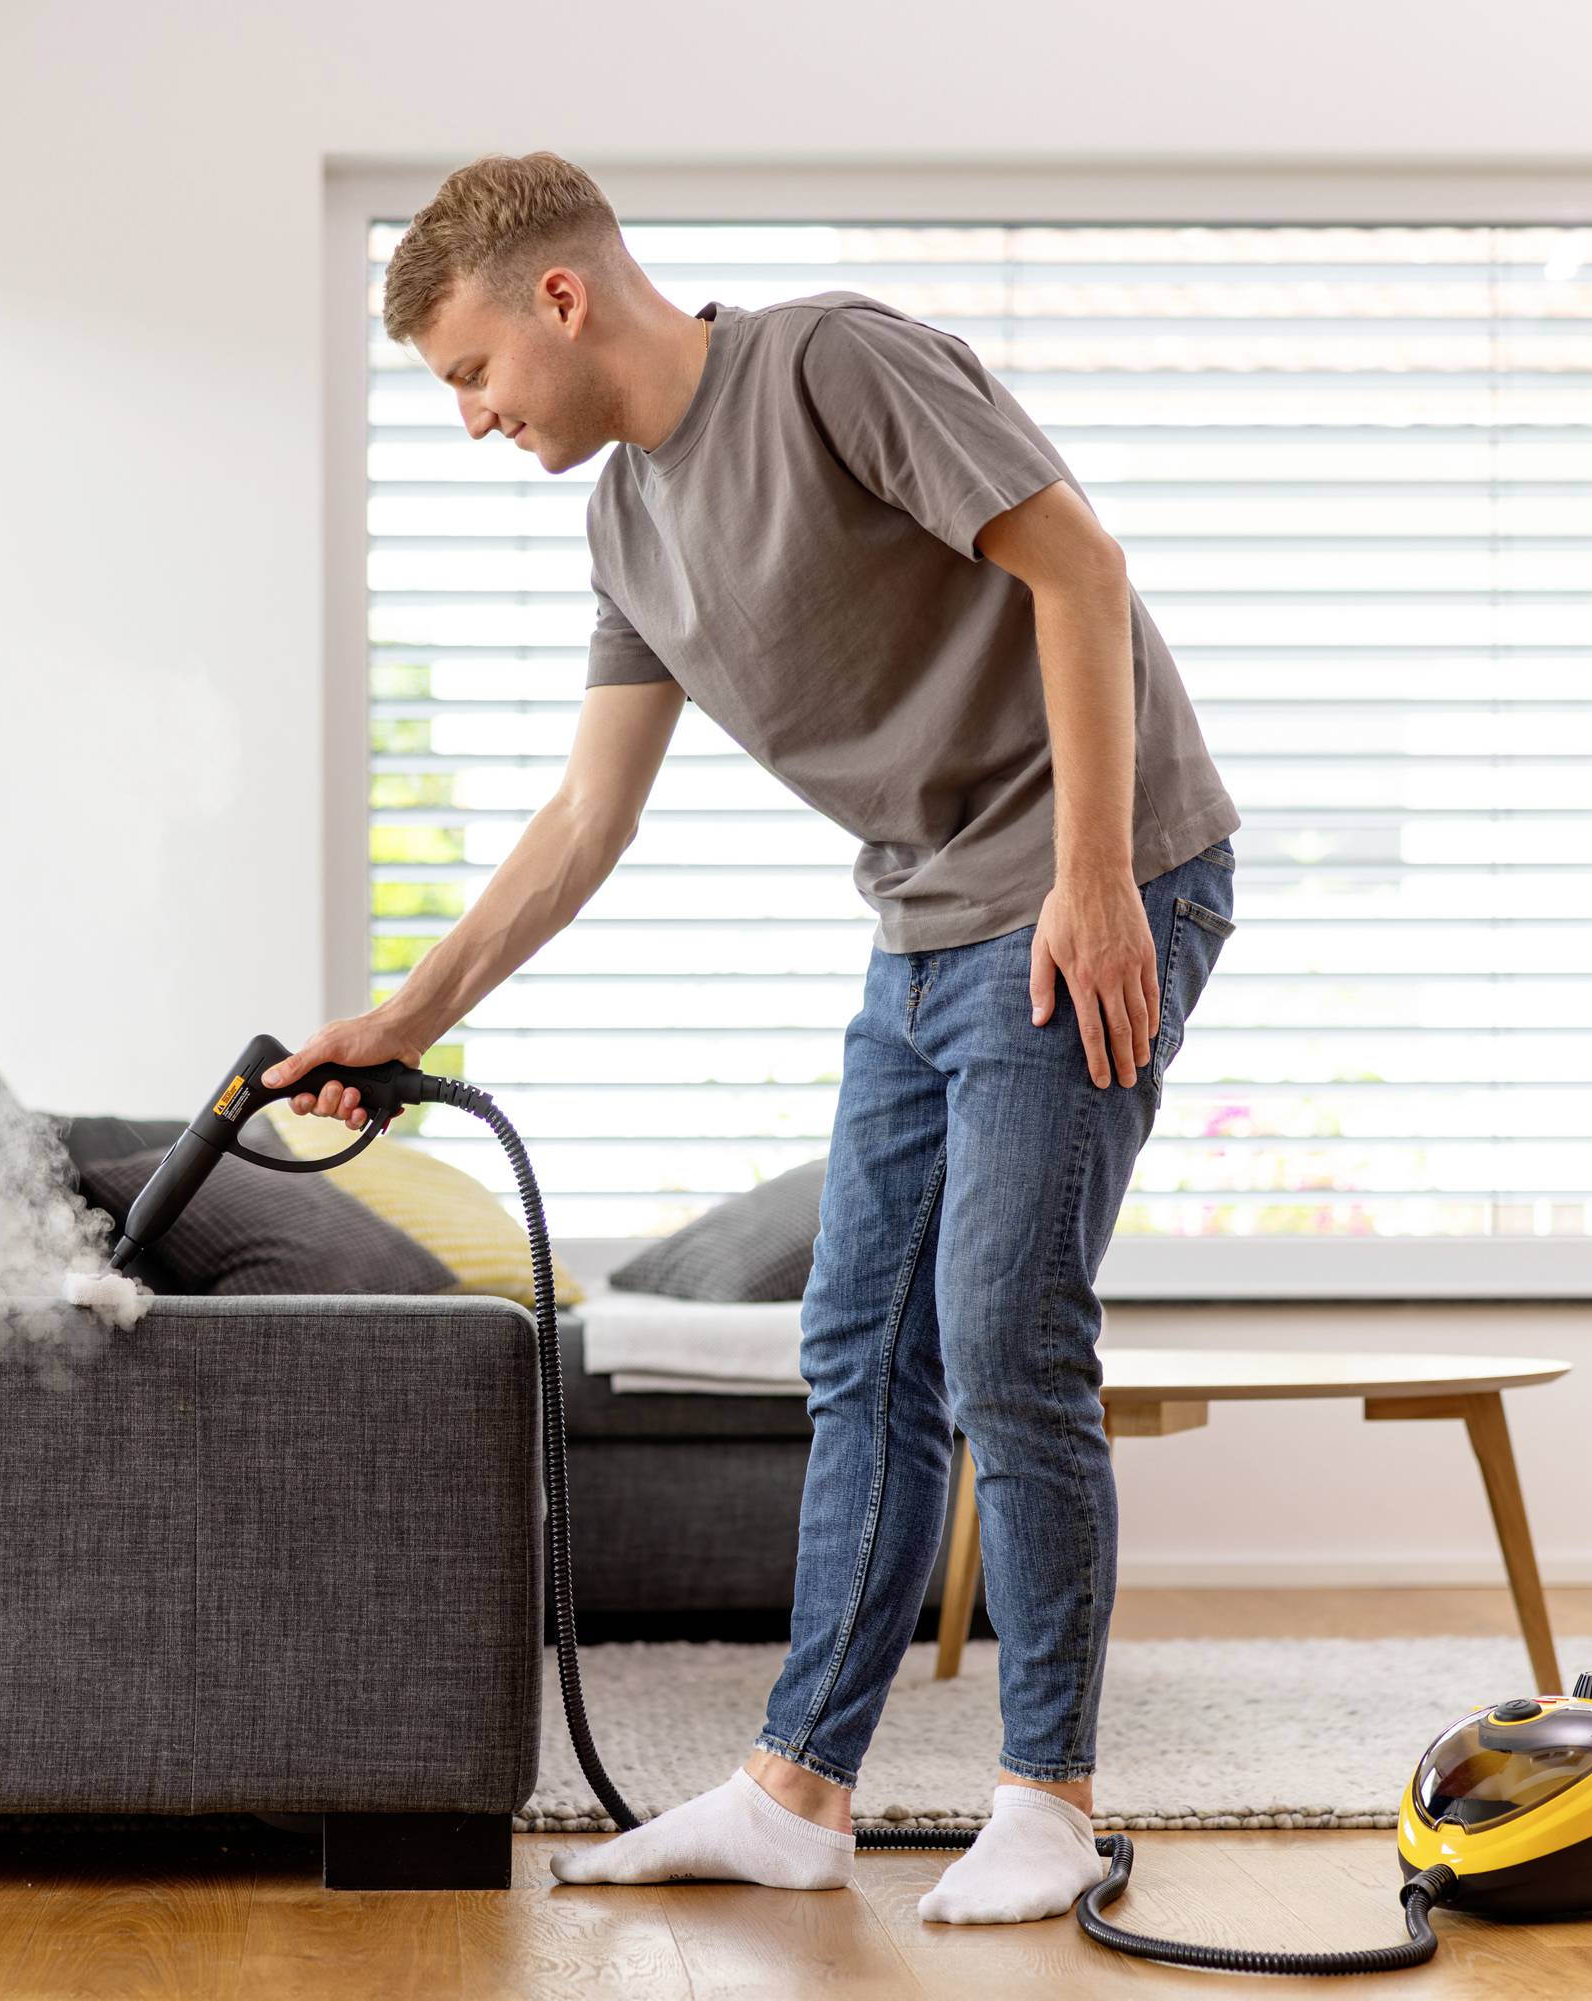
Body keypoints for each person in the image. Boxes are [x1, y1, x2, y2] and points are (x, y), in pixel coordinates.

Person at [263, 152, 1240, 1926]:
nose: (473, 418)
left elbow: (1079, 570)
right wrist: (398, 1022)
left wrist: (1095, 882)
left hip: (1105, 874)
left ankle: (1051, 1796)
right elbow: (583, 824)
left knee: (1004, 1328)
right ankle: (798, 1788)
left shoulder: (831, 366)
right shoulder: (625, 525)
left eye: (472, 374)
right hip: (927, 922)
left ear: (560, 299)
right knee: (857, 1337)